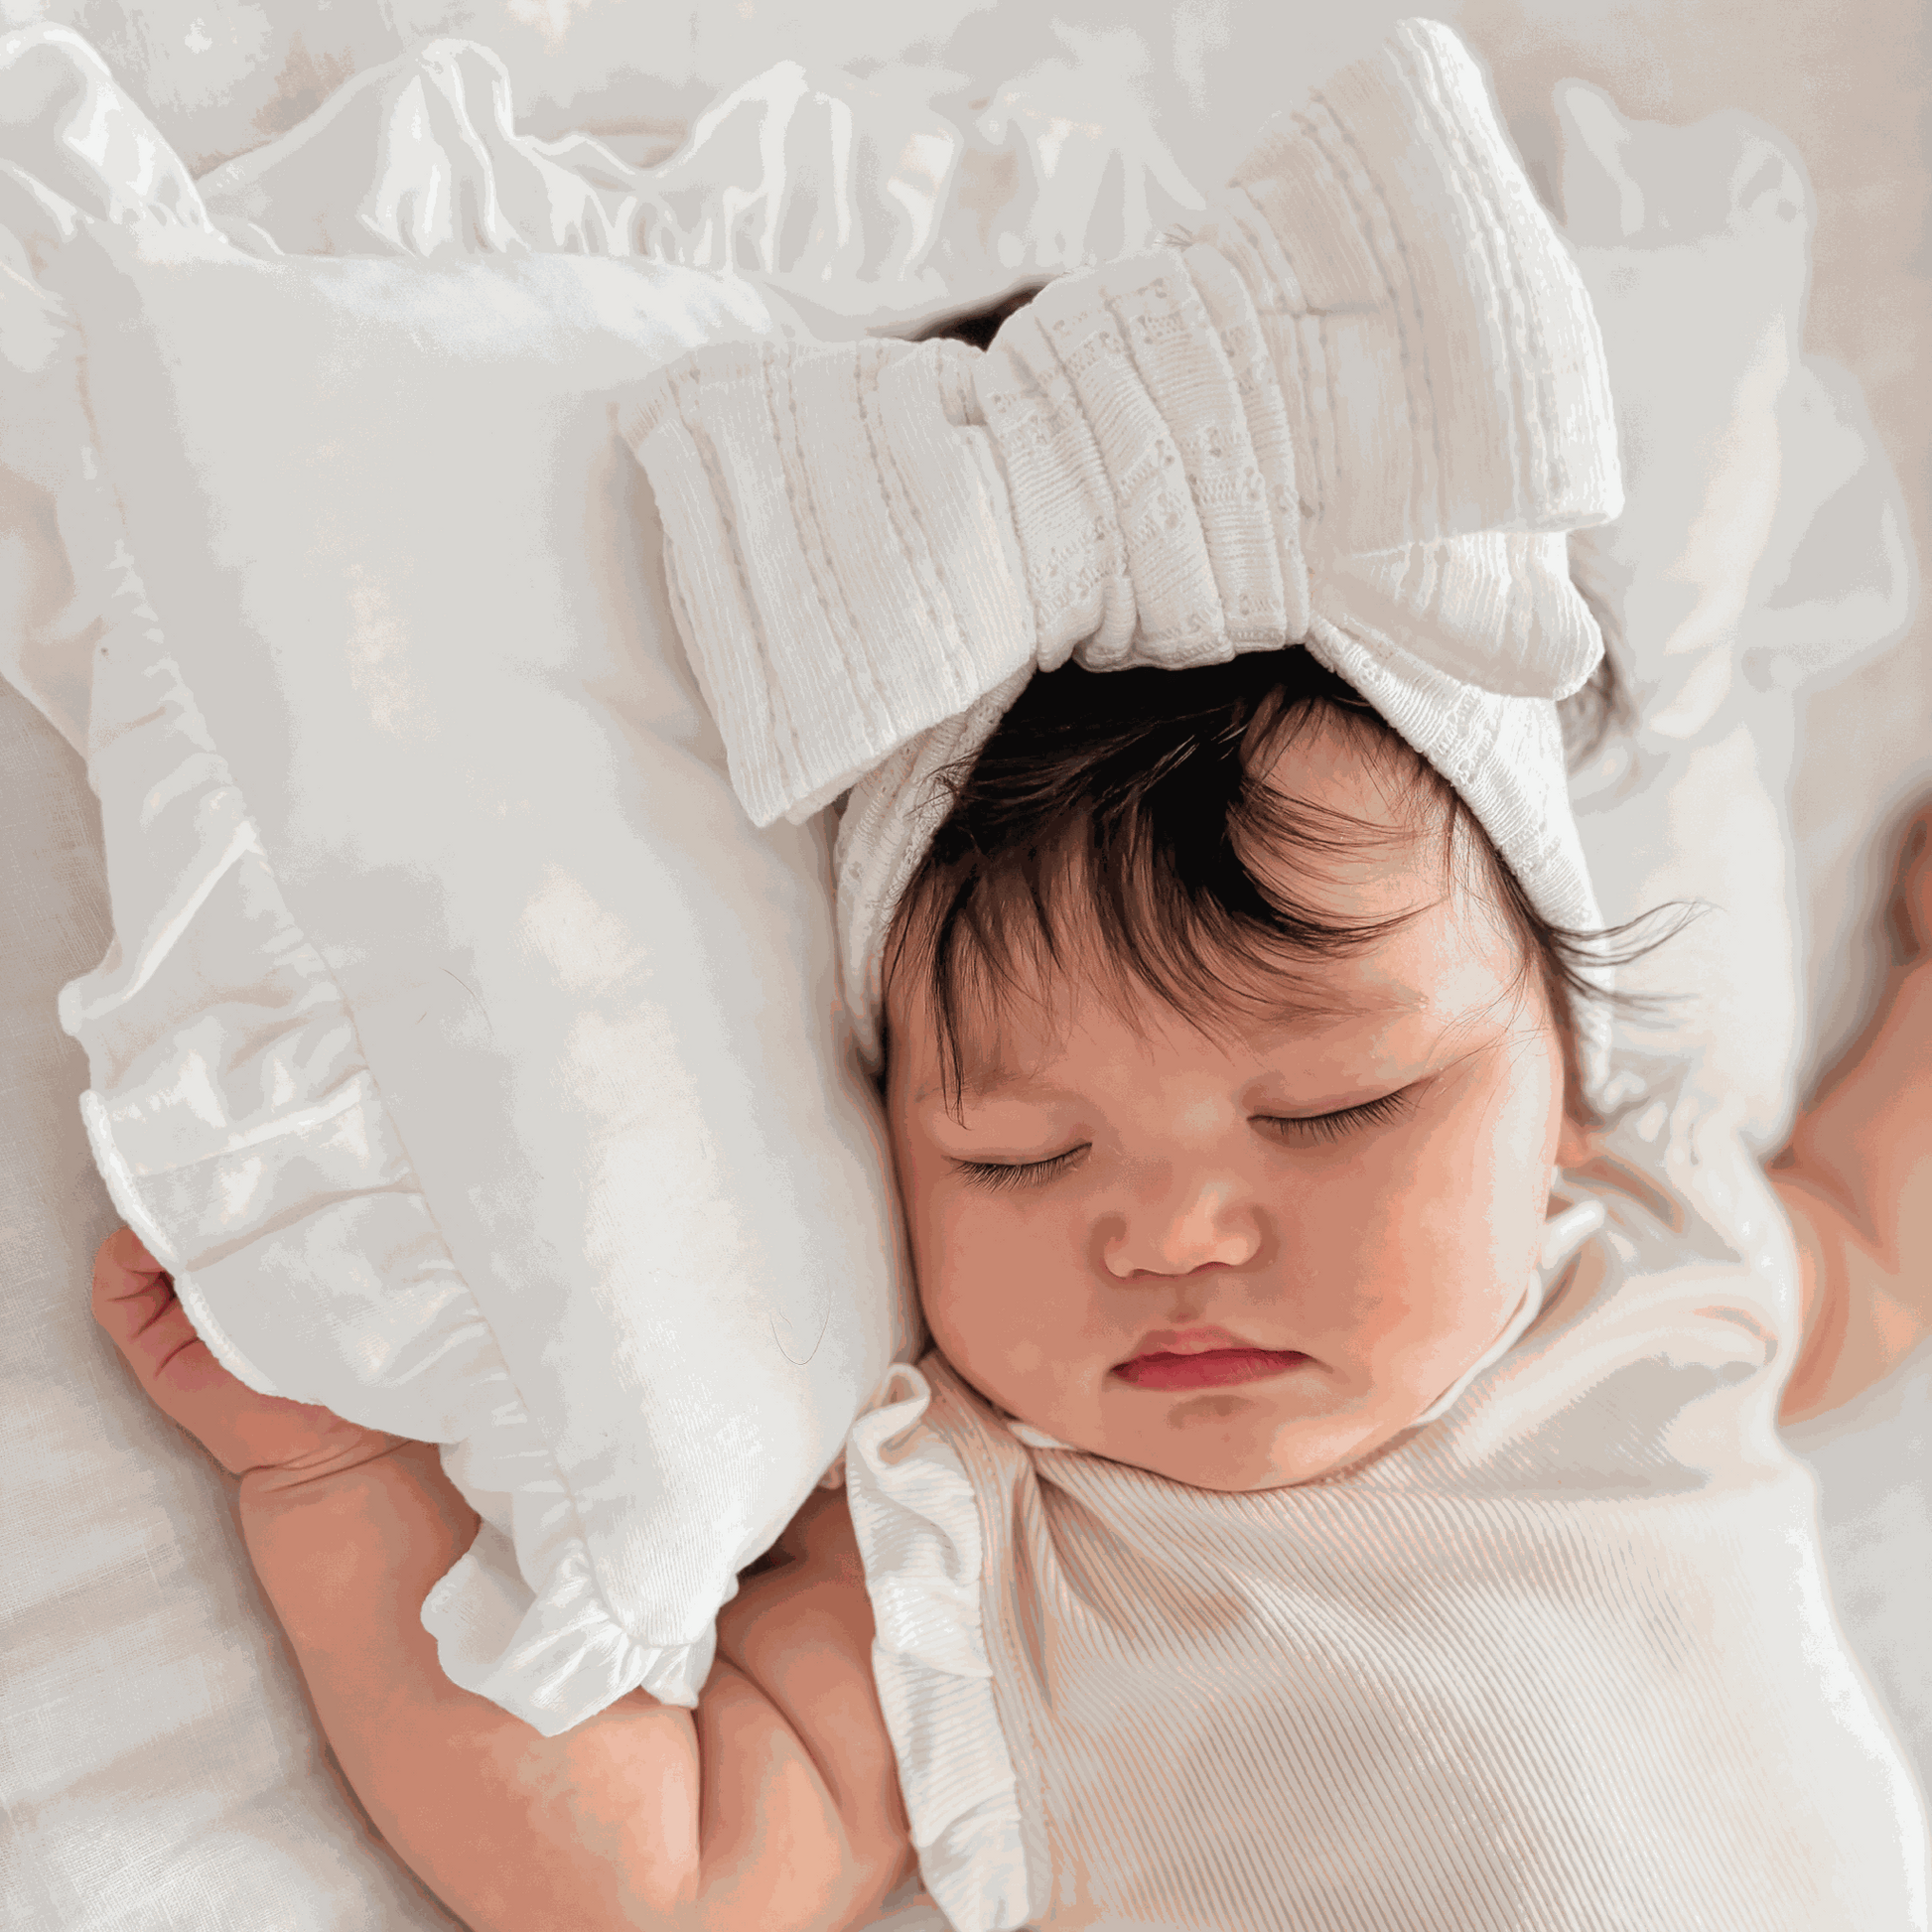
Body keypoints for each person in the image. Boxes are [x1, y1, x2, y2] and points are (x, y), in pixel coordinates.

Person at [88, 20, 1932, 1932]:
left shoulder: (1652, 1256)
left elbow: (1872, 1253)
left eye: (1330, 1107)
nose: (1175, 1230)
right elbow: (665, 1873)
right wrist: (330, 1487)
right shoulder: (1007, 1539)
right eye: (1021, 1156)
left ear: (1558, 1076)